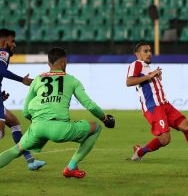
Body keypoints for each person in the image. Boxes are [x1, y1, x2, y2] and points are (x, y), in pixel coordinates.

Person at [0, 47, 115, 178]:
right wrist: (105, 119)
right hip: (60, 129)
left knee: (16, 150)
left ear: (49, 63)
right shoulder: (72, 80)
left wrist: (38, 122)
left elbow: (25, 110)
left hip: (37, 128)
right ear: (64, 62)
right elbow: (90, 105)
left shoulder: (38, 79)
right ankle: (71, 167)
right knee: (96, 127)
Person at [126, 42, 188, 163]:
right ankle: (139, 152)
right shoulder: (136, 64)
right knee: (165, 139)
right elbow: (129, 81)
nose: (149, 53)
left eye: (150, 51)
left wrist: (155, 75)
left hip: (165, 105)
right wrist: (151, 76)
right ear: (137, 54)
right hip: (154, 107)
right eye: (145, 51)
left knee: (187, 126)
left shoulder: (147, 67)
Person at [0, 28, 45, 170]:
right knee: (0, 132)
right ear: (4, 40)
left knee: (14, 122)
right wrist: (22, 80)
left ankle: (30, 161)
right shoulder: (3, 52)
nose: (14, 45)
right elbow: (0, 71)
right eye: (12, 41)